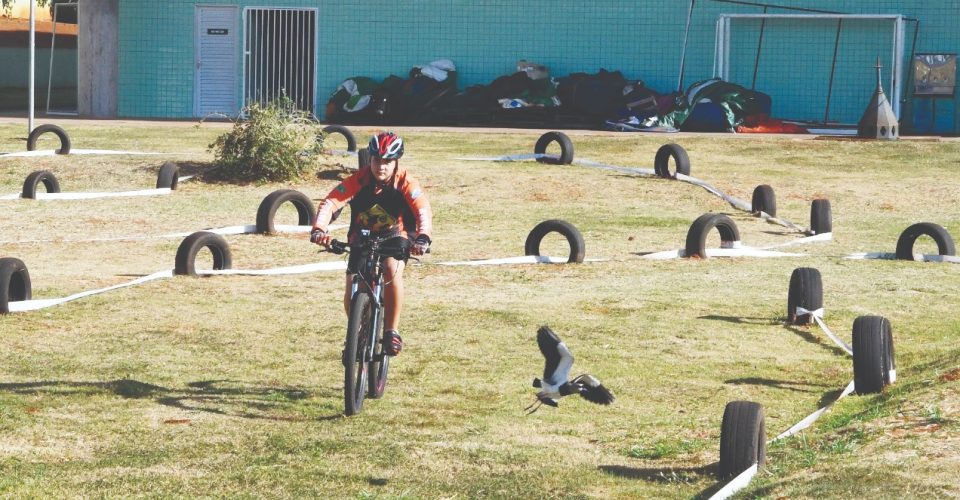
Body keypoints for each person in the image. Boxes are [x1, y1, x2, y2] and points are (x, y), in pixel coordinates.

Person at [311, 131, 432, 356]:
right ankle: (357, 329)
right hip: (362, 236)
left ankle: (391, 331)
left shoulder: (405, 182)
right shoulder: (359, 179)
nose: (381, 167)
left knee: (390, 269)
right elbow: (331, 202)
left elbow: (422, 208)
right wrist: (319, 229)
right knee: (353, 285)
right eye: (377, 160)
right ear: (370, 159)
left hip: (396, 235)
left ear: (396, 162)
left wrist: (423, 237)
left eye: (387, 161)